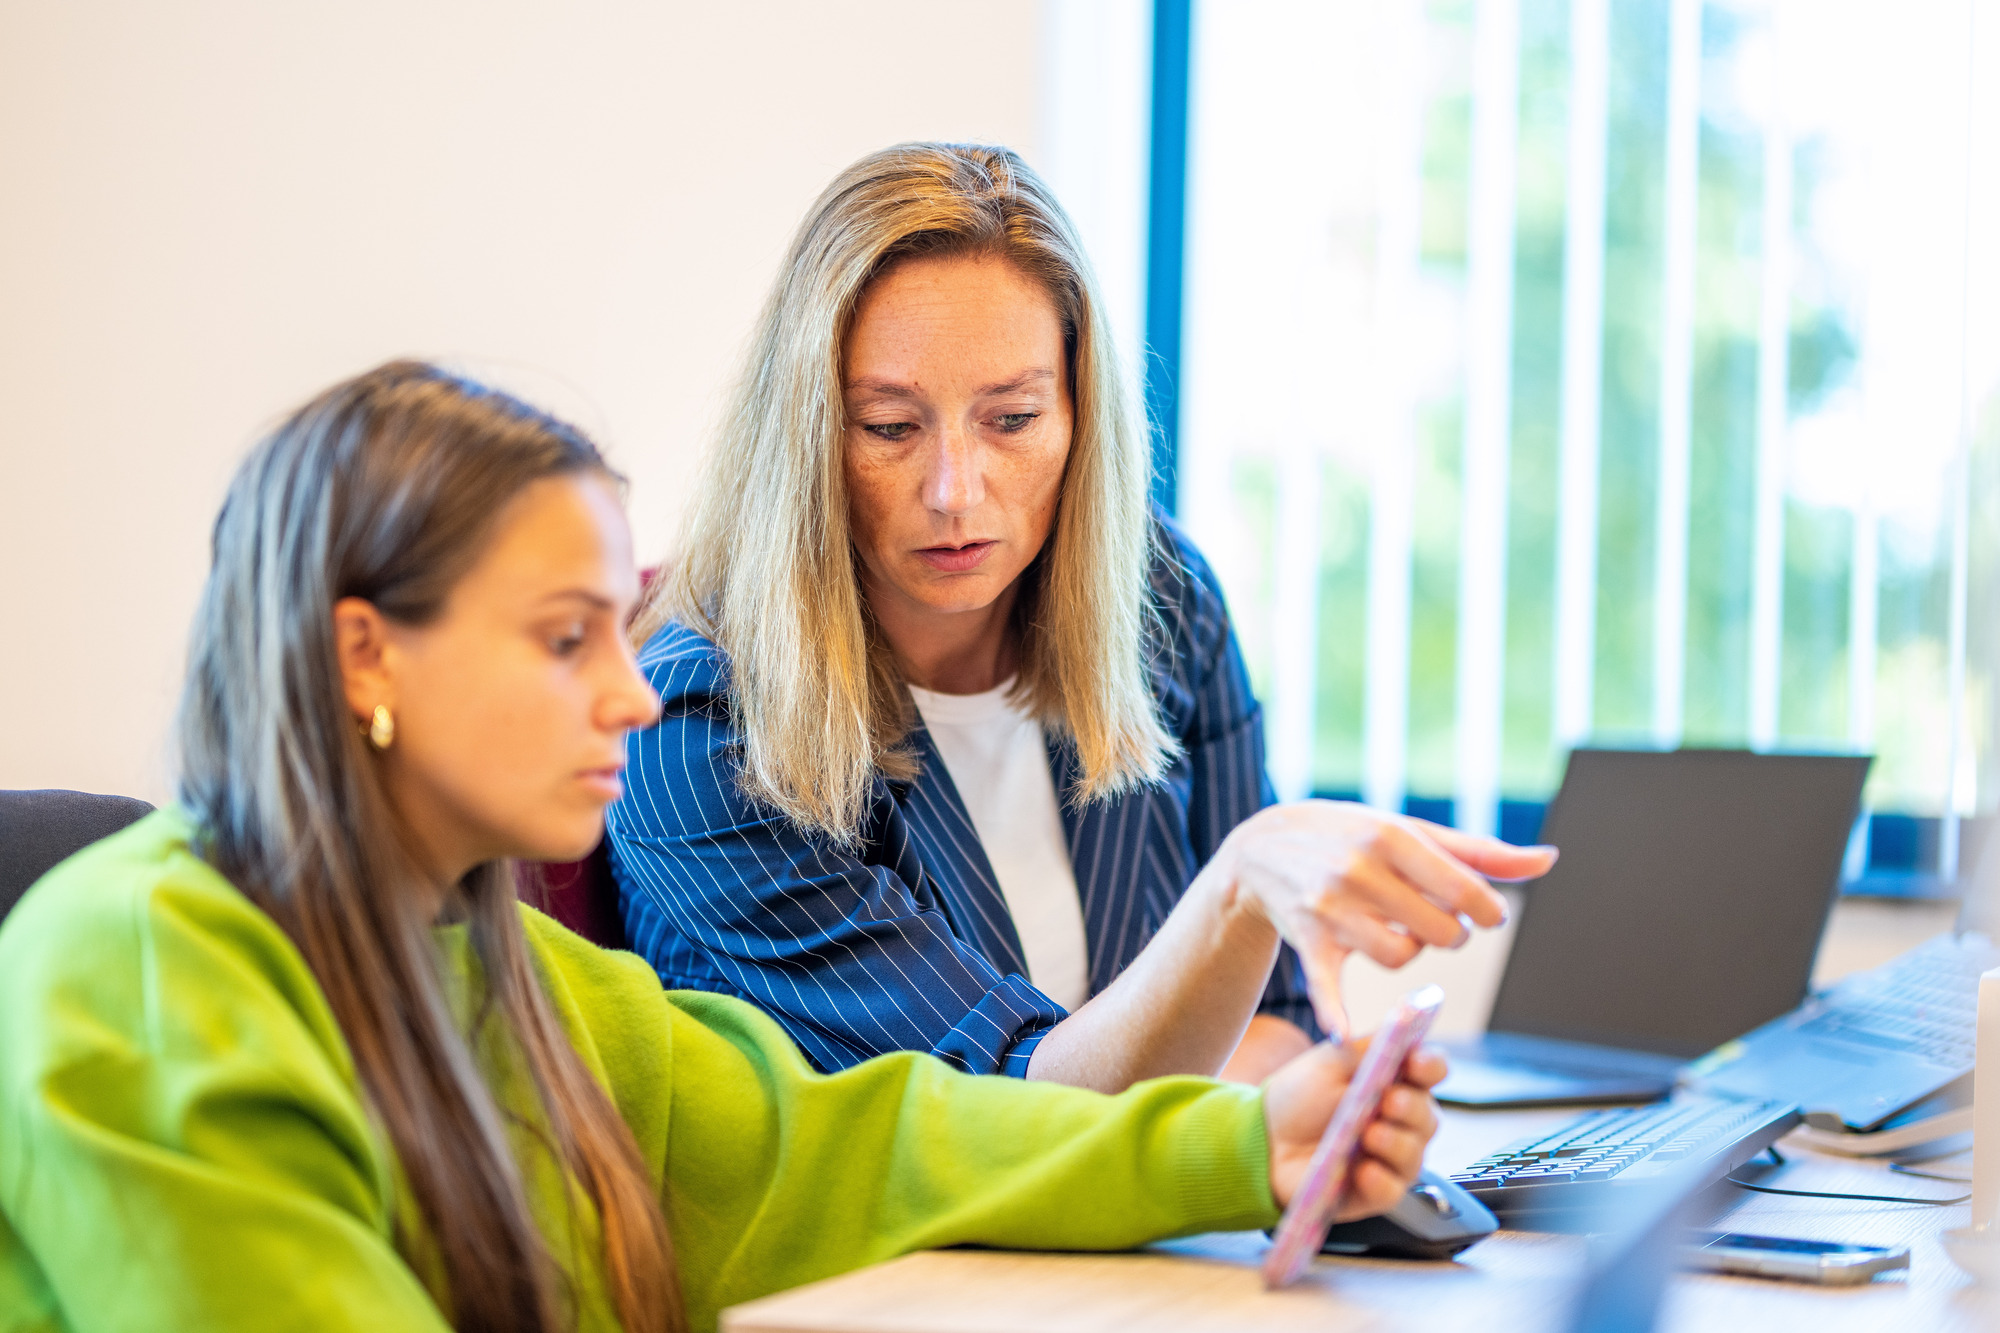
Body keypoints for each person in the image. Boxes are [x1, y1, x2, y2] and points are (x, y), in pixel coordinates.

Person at [0, 362, 1443, 1333]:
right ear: (367, 656)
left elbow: (862, 1143)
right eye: (566, 639)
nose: (633, 693)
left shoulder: (529, 983)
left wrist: (1247, 1141)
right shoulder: (136, 972)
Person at [610, 142, 1556, 1090]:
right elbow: (1016, 1104)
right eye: (890, 427)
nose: (955, 491)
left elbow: (1281, 1012)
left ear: (1078, 416)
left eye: (1013, 419)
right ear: (807, 435)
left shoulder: (1161, 602)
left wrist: (1275, 1130)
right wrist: (1242, 887)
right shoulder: (692, 723)